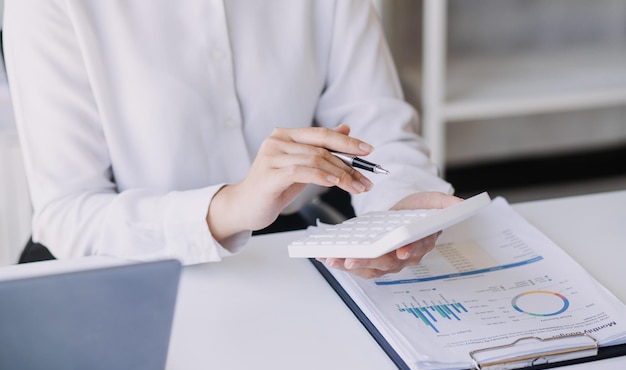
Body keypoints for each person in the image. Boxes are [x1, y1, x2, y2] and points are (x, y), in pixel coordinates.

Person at [4, 0, 460, 278]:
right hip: (117, 258)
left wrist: (397, 213)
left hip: (286, 250)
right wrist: (232, 207)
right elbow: (67, 211)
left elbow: (375, 128)